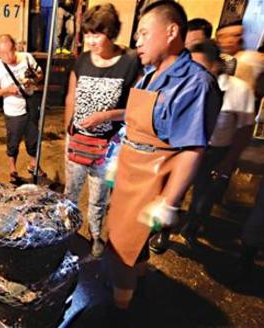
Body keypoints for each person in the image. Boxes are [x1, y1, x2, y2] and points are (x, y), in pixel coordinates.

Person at [105, 0, 222, 311]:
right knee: (132, 245)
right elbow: (139, 122)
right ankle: (137, 293)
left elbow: (192, 148)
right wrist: (120, 154)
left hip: (150, 179)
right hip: (131, 169)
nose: (136, 41)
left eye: (144, 33)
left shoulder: (194, 82)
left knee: (120, 250)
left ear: (171, 31)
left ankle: (119, 311)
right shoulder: (150, 73)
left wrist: (169, 202)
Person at [150, 40, 255, 253]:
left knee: (203, 199)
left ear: (216, 65)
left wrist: (228, 163)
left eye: (200, 65)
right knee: (174, 193)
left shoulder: (239, 91)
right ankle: (163, 232)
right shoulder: (184, 84)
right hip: (182, 149)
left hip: (215, 153)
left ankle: (190, 230)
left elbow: (244, 131)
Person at [64, 3, 141, 258]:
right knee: (70, 193)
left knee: (99, 196)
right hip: (77, 141)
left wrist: (107, 115)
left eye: (97, 34)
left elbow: (138, 107)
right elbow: (71, 97)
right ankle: (67, 231)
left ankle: (96, 235)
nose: (90, 40)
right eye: (87, 34)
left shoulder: (130, 62)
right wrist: (68, 131)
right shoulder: (83, 60)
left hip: (107, 146)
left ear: (111, 33)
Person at [0, 34, 45, 183]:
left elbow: (40, 74)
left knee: (33, 137)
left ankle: (33, 163)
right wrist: (7, 90)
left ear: (15, 48)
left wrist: (32, 79)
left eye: (11, 51)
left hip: (31, 104)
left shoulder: (27, 58)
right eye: (3, 53)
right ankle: (12, 168)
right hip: (13, 111)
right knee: (13, 140)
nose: (8, 56)